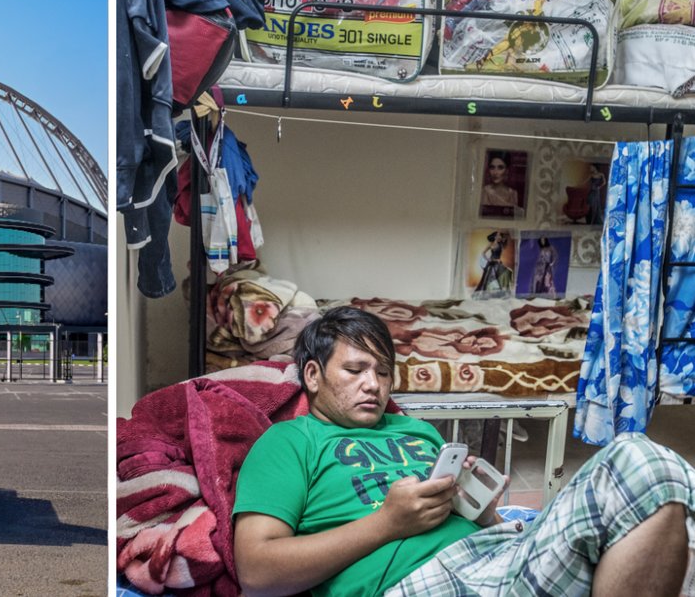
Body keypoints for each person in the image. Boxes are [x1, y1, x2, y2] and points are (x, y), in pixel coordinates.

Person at [233, 306, 695, 597]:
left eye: (383, 371)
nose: (373, 384)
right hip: (416, 581)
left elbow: (471, 522)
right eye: (355, 370)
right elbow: (255, 573)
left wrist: (485, 514)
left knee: (645, 470)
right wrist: (387, 523)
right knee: (636, 462)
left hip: (496, 553)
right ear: (313, 376)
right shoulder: (289, 441)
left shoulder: (417, 430)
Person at [474, 231, 512, 298]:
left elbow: (506, 239)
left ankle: (503, 291)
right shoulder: (491, 244)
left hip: (498, 263)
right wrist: (488, 259)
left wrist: (505, 236)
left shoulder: (501, 243)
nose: (499, 237)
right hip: (492, 263)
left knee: (507, 272)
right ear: (495, 237)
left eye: (500, 235)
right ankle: (490, 293)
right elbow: (483, 253)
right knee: (490, 278)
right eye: (498, 235)